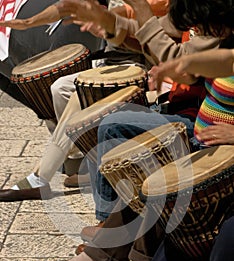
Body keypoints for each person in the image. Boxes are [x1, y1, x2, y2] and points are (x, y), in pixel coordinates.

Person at [25, 0, 233, 261]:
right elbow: (165, 42)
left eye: (201, 27)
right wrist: (113, 28)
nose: (197, 30)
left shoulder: (217, 33)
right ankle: (110, 250)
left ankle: (99, 253)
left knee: (143, 170)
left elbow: (174, 56)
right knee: (118, 137)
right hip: (197, 126)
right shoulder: (208, 24)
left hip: (199, 130)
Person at [0, 0, 220, 200]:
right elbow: (149, 32)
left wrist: (136, 12)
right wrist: (110, 25)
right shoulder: (189, 14)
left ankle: (46, 180)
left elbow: (176, 58)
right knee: (61, 88)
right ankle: (80, 164)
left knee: (91, 107)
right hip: (151, 72)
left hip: (167, 91)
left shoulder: (214, 23)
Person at [0, 0, 106, 112]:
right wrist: (28, 22)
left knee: (61, 89)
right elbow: (62, 9)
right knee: (59, 88)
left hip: (116, 62)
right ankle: (62, 124)